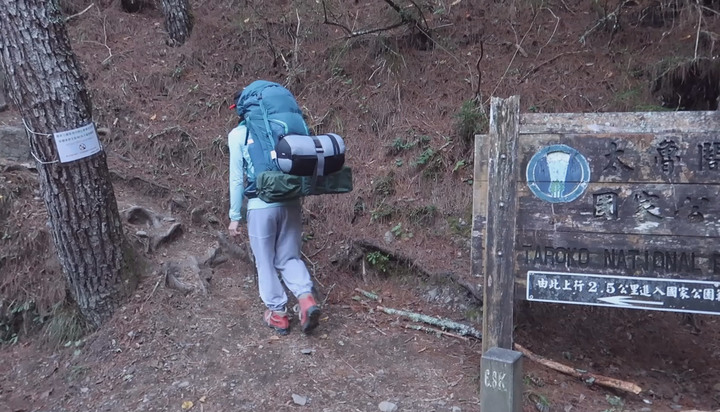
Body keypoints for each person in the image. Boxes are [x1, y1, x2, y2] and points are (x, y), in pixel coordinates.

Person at [227, 119, 321, 335]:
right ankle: (306, 299)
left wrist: (234, 216)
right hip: (290, 202)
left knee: (265, 262)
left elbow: (236, 179)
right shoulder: (282, 126)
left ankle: (278, 315)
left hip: (260, 207)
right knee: (289, 258)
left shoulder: (238, 134)